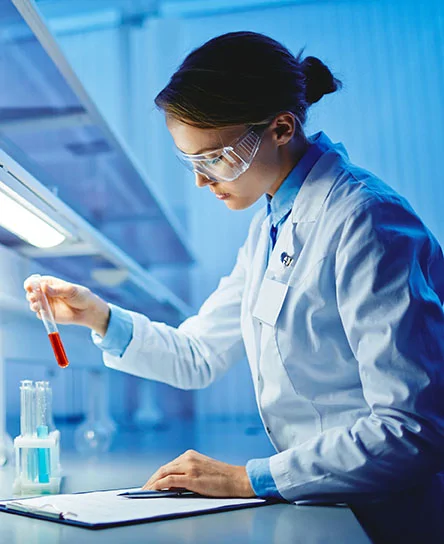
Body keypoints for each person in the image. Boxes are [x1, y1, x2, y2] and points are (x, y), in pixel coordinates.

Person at [24, 31, 444, 504]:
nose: (203, 180)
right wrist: (99, 316)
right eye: (191, 162)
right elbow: (199, 355)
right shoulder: (270, 227)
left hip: (389, 509)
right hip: (327, 499)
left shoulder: (366, 220)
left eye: (217, 158)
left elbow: (412, 431)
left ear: (281, 129)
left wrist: (248, 479)